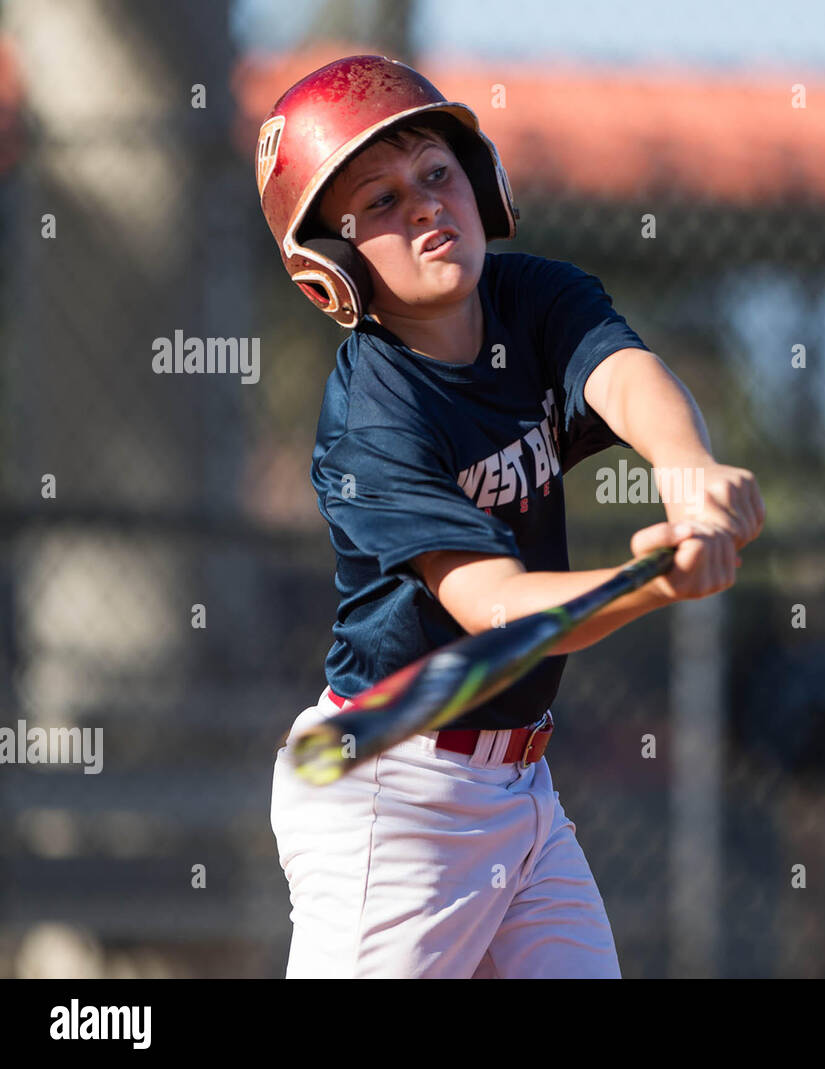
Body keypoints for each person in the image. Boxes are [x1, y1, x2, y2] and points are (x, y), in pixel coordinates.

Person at [257, 55, 764, 978]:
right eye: (377, 201)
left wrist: (688, 470)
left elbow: (622, 375)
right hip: (398, 793)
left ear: (480, 180)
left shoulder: (531, 297)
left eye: (436, 174)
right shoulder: (375, 414)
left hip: (521, 786)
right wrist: (649, 583)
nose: (422, 206)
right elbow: (499, 605)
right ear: (327, 268)